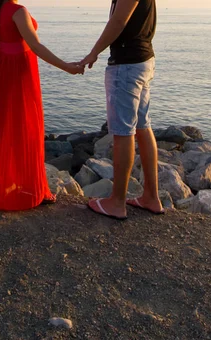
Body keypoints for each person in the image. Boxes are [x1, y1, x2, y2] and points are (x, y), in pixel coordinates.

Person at [0, 0, 84, 211]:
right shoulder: (17, 11)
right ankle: (31, 189)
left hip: (3, 70)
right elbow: (36, 47)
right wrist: (66, 67)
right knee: (27, 129)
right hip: (19, 73)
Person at [81, 0, 162, 220]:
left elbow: (118, 21)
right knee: (143, 127)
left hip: (127, 65)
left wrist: (93, 53)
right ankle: (151, 197)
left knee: (123, 132)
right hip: (143, 59)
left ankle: (117, 203)